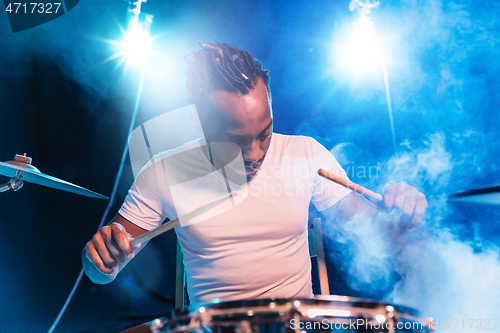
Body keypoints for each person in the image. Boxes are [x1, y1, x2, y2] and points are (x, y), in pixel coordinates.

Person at [82, 41, 428, 305]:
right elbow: (101, 270)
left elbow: (381, 236)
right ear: (199, 123)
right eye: (233, 142)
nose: (255, 153)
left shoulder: (306, 155)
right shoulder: (163, 172)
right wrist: (97, 261)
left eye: (264, 133)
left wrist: (402, 214)